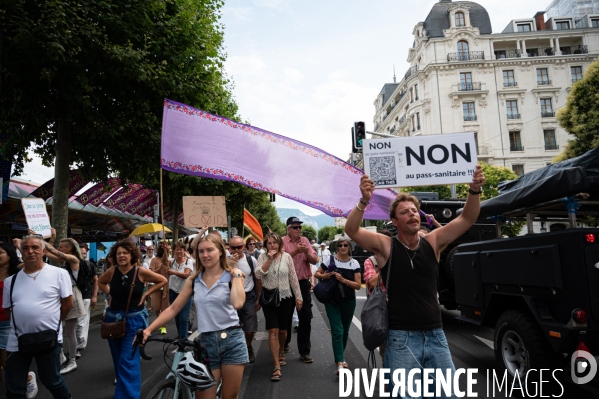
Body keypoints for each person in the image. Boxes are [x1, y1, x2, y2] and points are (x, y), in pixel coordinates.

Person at [345, 166, 486, 397]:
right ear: (394, 221)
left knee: (447, 394)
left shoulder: (433, 242)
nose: (412, 214)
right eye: (405, 212)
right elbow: (351, 229)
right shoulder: (386, 245)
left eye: (414, 210)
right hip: (400, 338)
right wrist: (364, 201)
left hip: (436, 335)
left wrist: (474, 191)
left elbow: (467, 218)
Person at [142, 234, 248, 399]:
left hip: (232, 341)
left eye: (209, 250)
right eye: (201, 251)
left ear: (220, 251)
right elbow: (174, 308)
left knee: (229, 396)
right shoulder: (194, 280)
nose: (205, 255)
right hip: (206, 344)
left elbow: (238, 303)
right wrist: (148, 330)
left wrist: (236, 276)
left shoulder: (233, 275)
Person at [4, 235, 73, 399]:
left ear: (43, 250)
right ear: (21, 253)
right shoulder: (10, 281)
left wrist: (51, 322)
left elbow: (68, 304)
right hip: (17, 340)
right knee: (14, 387)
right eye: (26, 248)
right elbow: (8, 311)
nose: (30, 251)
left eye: (35, 247)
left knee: (52, 381)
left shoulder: (59, 274)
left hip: (49, 338)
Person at [98, 239, 167, 399]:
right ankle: (124, 390)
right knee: (118, 358)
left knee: (128, 359)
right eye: (118, 253)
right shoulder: (112, 271)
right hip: (113, 320)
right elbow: (101, 282)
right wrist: (109, 294)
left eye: (125, 253)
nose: (121, 256)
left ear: (131, 255)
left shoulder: (140, 271)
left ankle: (127, 396)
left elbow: (162, 280)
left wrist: (146, 293)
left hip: (134, 320)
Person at [255, 233, 302, 381]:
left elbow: (293, 278)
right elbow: (258, 274)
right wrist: (269, 259)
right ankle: (276, 366)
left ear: (279, 244)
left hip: (285, 297)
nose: (272, 246)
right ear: (265, 245)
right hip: (269, 299)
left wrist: (298, 296)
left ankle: (281, 349)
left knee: (283, 331)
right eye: (269, 243)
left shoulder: (287, 257)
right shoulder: (262, 257)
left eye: (275, 243)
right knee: (273, 330)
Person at [314, 235, 361, 375]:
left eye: (346, 245)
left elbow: (358, 285)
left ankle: (341, 357)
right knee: (338, 331)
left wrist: (344, 280)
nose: (342, 247)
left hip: (348, 301)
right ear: (336, 247)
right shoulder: (330, 260)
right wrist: (325, 276)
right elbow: (317, 273)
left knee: (345, 331)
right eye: (340, 245)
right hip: (332, 301)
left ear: (350, 247)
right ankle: (340, 363)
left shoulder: (355, 264)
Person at [44, 236, 87, 375]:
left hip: (72, 295)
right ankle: (62, 355)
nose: (59, 249)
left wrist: (38, 238)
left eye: (61, 246)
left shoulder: (74, 260)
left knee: (70, 331)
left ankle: (72, 360)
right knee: (58, 328)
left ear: (69, 248)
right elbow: (47, 253)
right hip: (61, 295)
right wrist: (48, 240)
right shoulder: (64, 261)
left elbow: (53, 252)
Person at [282, 217, 318, 362]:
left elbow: (314, 260)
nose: (298, 230)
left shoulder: (305, 241)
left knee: (305, 317)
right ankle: (284, 344)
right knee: (286, 316)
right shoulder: (282, 241)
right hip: (286, 283)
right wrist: (296, 251)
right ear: (288, 229)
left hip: (303, 283)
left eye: (299, 227)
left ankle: (304, 351)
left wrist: (306, 253)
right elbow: (280, 260)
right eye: (295, 227)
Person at [229, 236, 261, 363]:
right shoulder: (224, 261)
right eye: (233, 247)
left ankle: (248, 346)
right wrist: (230, 263)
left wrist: (259, 297)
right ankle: (234, 350)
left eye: (239, 247)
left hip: (248, 296)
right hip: (231, 297)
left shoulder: (251, 259)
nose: (236, 250)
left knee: (250, 329)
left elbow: (257, 278)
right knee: (232, 327)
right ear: (229, 247)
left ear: (244, 246)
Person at [168, 242, 195, 339]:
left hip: (185, 293)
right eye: (177, 249)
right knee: (176, 316)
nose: (179, 251)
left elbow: (186, 275)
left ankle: (183, 339)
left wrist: (174, 272)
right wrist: (165, 251)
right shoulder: (171, 261)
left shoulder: (189, 262)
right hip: (173, 292)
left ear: (184, 251)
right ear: (174, 251)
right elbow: (163, 261)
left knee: (184, 317)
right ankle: (180, 335)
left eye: (181, 249)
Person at [75, 245, 98, 357]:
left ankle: (79, 345)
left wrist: (94, 296)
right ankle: (75, 344)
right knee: (74, 323)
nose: (83, 255)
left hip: (85, 296)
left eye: (84, 253)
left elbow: (95, 281)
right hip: (72, 297)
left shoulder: (90, 265)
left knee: (81, 322)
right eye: (81, 253)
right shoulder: (69, 265)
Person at [149, 242, 171, 334]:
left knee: (165, 308)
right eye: (162, 248)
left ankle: (163, 326)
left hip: (167, 287)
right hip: (157, 286)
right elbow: (152, 273)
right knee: (156, 307)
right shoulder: (154, 260)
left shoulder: (169, 260)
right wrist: (160, 267)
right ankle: (159, 321)